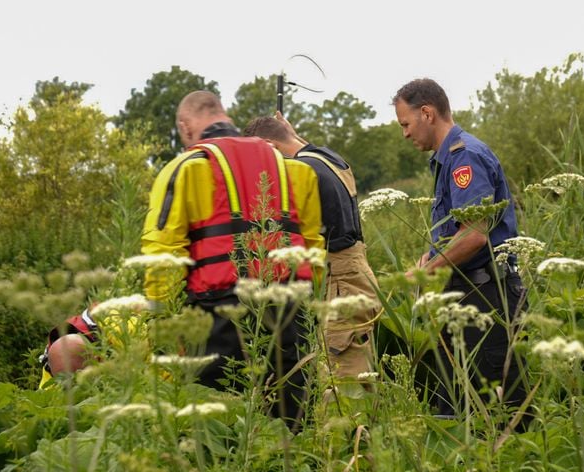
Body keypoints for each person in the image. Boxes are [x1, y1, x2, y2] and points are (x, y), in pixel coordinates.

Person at [141, 91, 324, 426]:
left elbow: (162, 255)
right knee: (292, 427)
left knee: (217, 429)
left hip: (219, 317)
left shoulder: (186, 168)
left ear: (185, 127)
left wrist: (164, 334)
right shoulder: (294, 170)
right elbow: (313, 249)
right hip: (291, 312)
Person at [392, 78, 529, 421]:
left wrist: (425, 271)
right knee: (456, 404)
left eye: (405, 124)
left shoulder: (464, 156)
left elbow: (474, 236)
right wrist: (424, 261)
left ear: (427, 113)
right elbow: (452, 235)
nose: (405, 135)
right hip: (466, 295)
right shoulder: (446, 161)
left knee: (500, 409)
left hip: (489, 297)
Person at [243, 113, 380, 402]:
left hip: (339, 277)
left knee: (344, 380)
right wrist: (288, 134)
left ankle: (352, 444)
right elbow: (297, 145)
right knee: (355, 371)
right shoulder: (328, 158)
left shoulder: (302, 170)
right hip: (354, 270)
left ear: (270, 146)